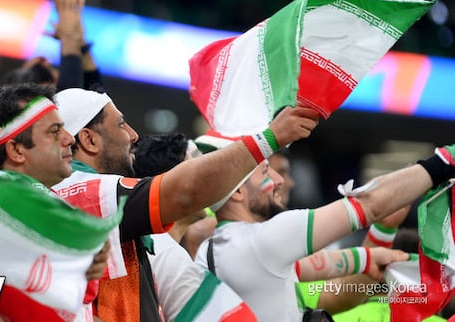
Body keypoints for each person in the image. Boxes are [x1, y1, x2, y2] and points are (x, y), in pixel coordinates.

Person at [51, 87, 319, 321]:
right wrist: (269, 138)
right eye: (121, 125)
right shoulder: (85, 190)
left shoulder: (83, 195)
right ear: (89, 140)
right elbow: (185, 192)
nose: (133, 135)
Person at [193, 134, 455, 321]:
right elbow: (370, 205)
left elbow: (334, 286)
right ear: (237, 192)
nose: (279, 181)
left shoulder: (211, 249)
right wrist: (443, 162)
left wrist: (373, 251)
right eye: (265, 172)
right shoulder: (265, 241)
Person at [133, 133, 255, 321]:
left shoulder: (152, 245)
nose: (206, 183)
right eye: (196, 176)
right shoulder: (166, 253)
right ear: (172, 186)